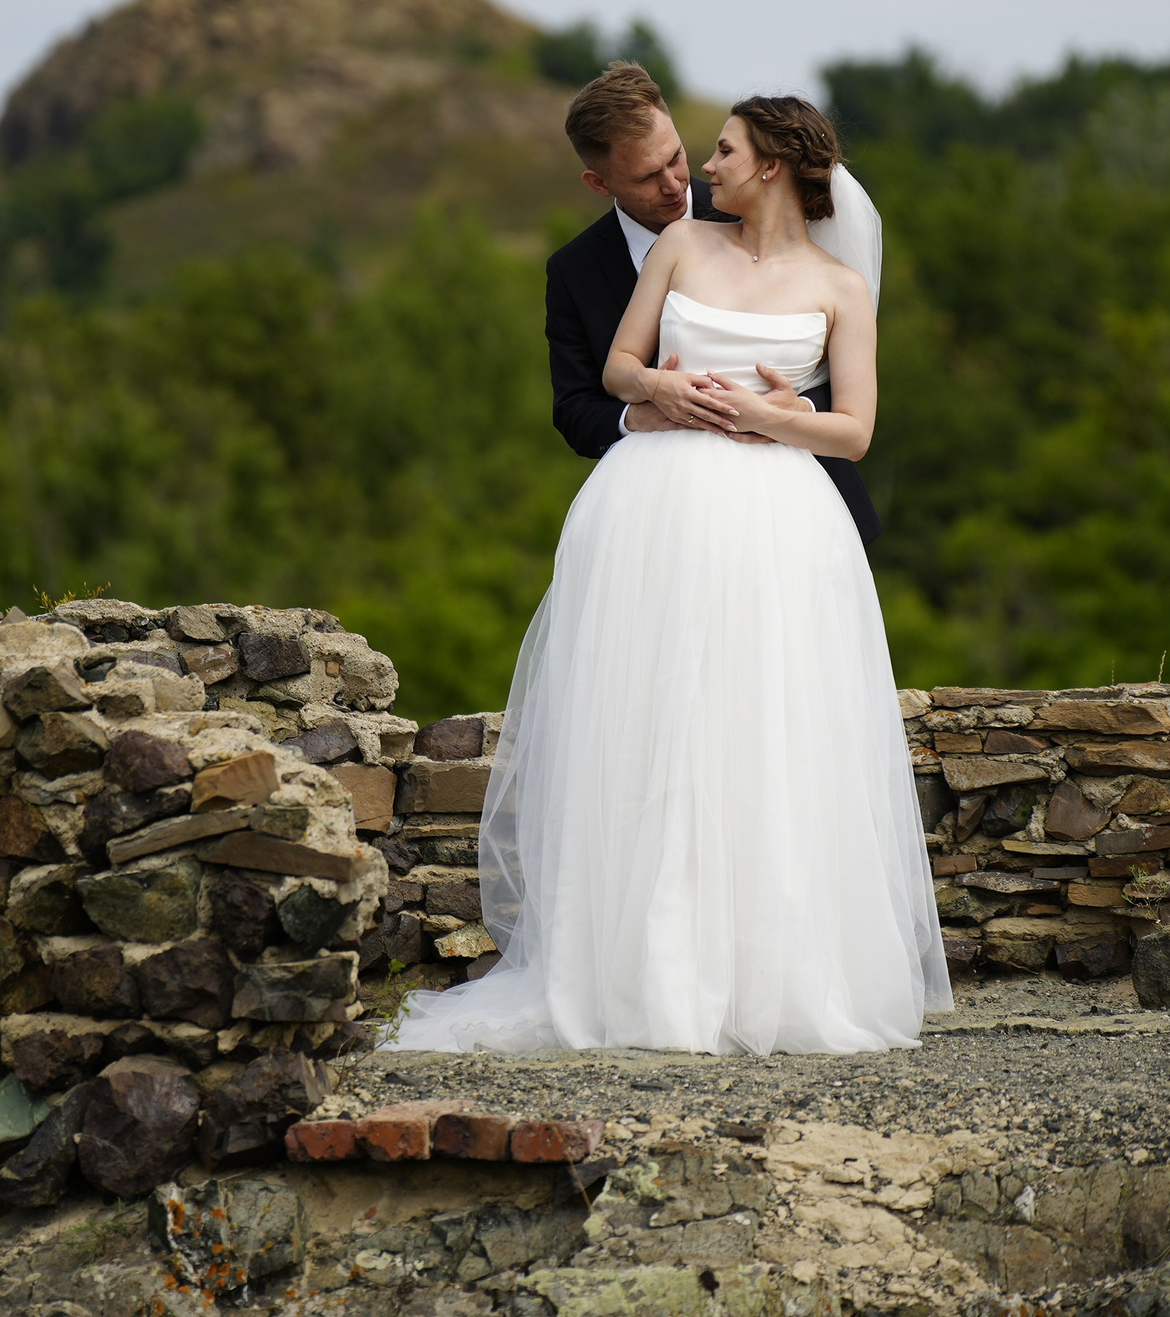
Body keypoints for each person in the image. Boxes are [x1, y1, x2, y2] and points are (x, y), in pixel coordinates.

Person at [383, 81, 950, 1056]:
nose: (694, 173)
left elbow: (852, 429)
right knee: (652, 721)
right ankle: (643, 971)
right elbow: (603, 378)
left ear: (768, 164)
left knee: (765, 726)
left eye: (712, 154)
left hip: (777, 516)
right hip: (656, 511)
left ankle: (767, 974)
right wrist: (654, 394)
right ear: (602, 177)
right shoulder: (673, 251)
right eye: (668, 168)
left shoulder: (838, 285)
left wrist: (775, 418)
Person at [541, 64, 881, 544]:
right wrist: (642, 411)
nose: (676, 183)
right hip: (659, 503)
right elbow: (574, 408)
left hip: (794, 502)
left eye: (675, 156)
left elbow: (839, 378)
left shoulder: (755, 200)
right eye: (646, 177)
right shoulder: (575, 270)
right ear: (600, 184)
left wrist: (794, 410)